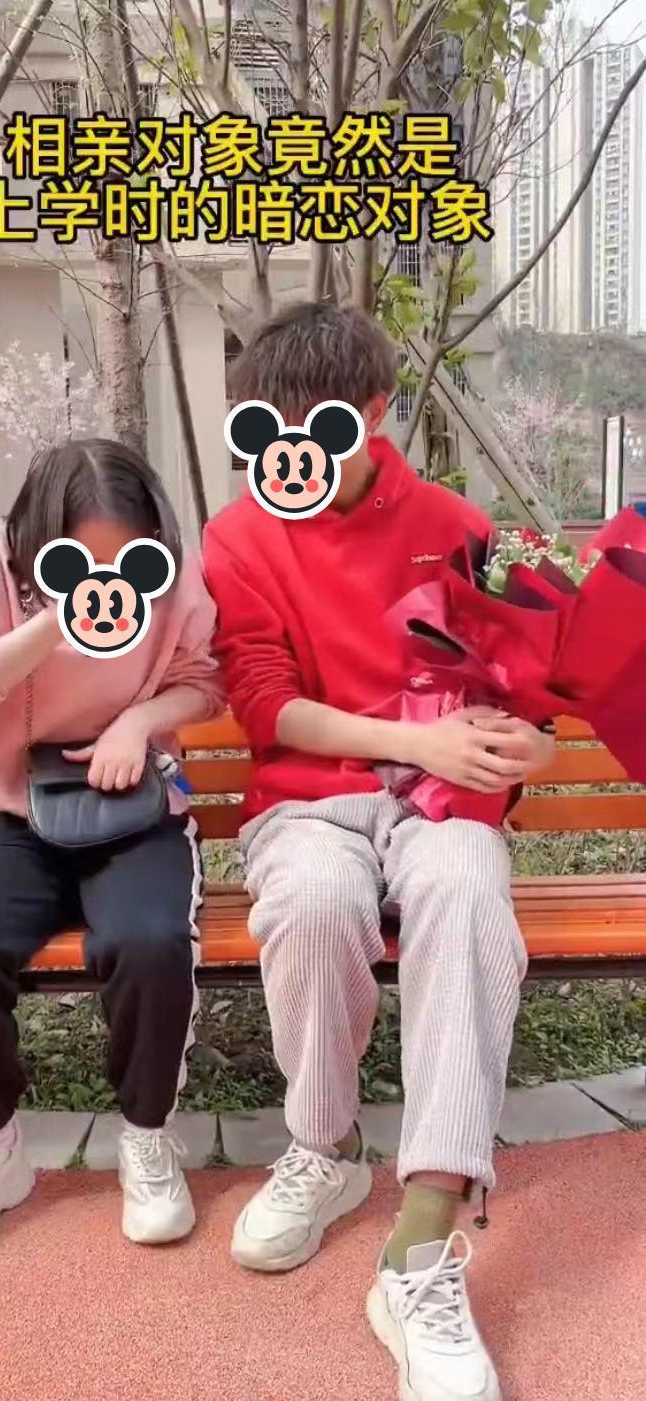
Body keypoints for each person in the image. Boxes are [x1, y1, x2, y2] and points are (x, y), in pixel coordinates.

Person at [202, 302, 554, 1401]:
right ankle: (324, 1148)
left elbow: (520, 683)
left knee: (469, 893)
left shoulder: (455, 522)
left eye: (319, 432)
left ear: (376, 413)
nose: (292, 460)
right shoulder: (240, 536)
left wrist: (530, 742)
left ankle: (422, 1239)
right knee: (311, 901)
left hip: (439, 803)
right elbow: (265, 704)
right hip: (309, 799)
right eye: (267, 434)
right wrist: (413, 738)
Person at [0, 438, 224, 1261]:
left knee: (149, 940)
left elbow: (204, 680)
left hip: (135, 808)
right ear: (35, 542)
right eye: (80, 561)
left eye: (126, 561)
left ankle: (145, 1135)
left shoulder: (169, 573)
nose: (111, 579)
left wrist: (137, 722)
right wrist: (55, 621)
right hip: (8, 815)